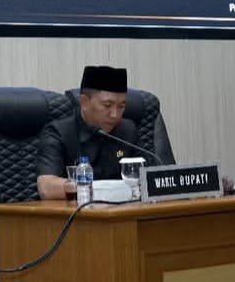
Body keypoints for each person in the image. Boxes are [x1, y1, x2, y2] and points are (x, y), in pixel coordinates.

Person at [35, 65, 152, 199]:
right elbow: (47, 188)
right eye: (107, 105)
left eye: (121, 106)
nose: (115, 115)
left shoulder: (128, 131)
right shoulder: (58, 133)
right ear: (84, 102)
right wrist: (101, 189)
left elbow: (150, 178)